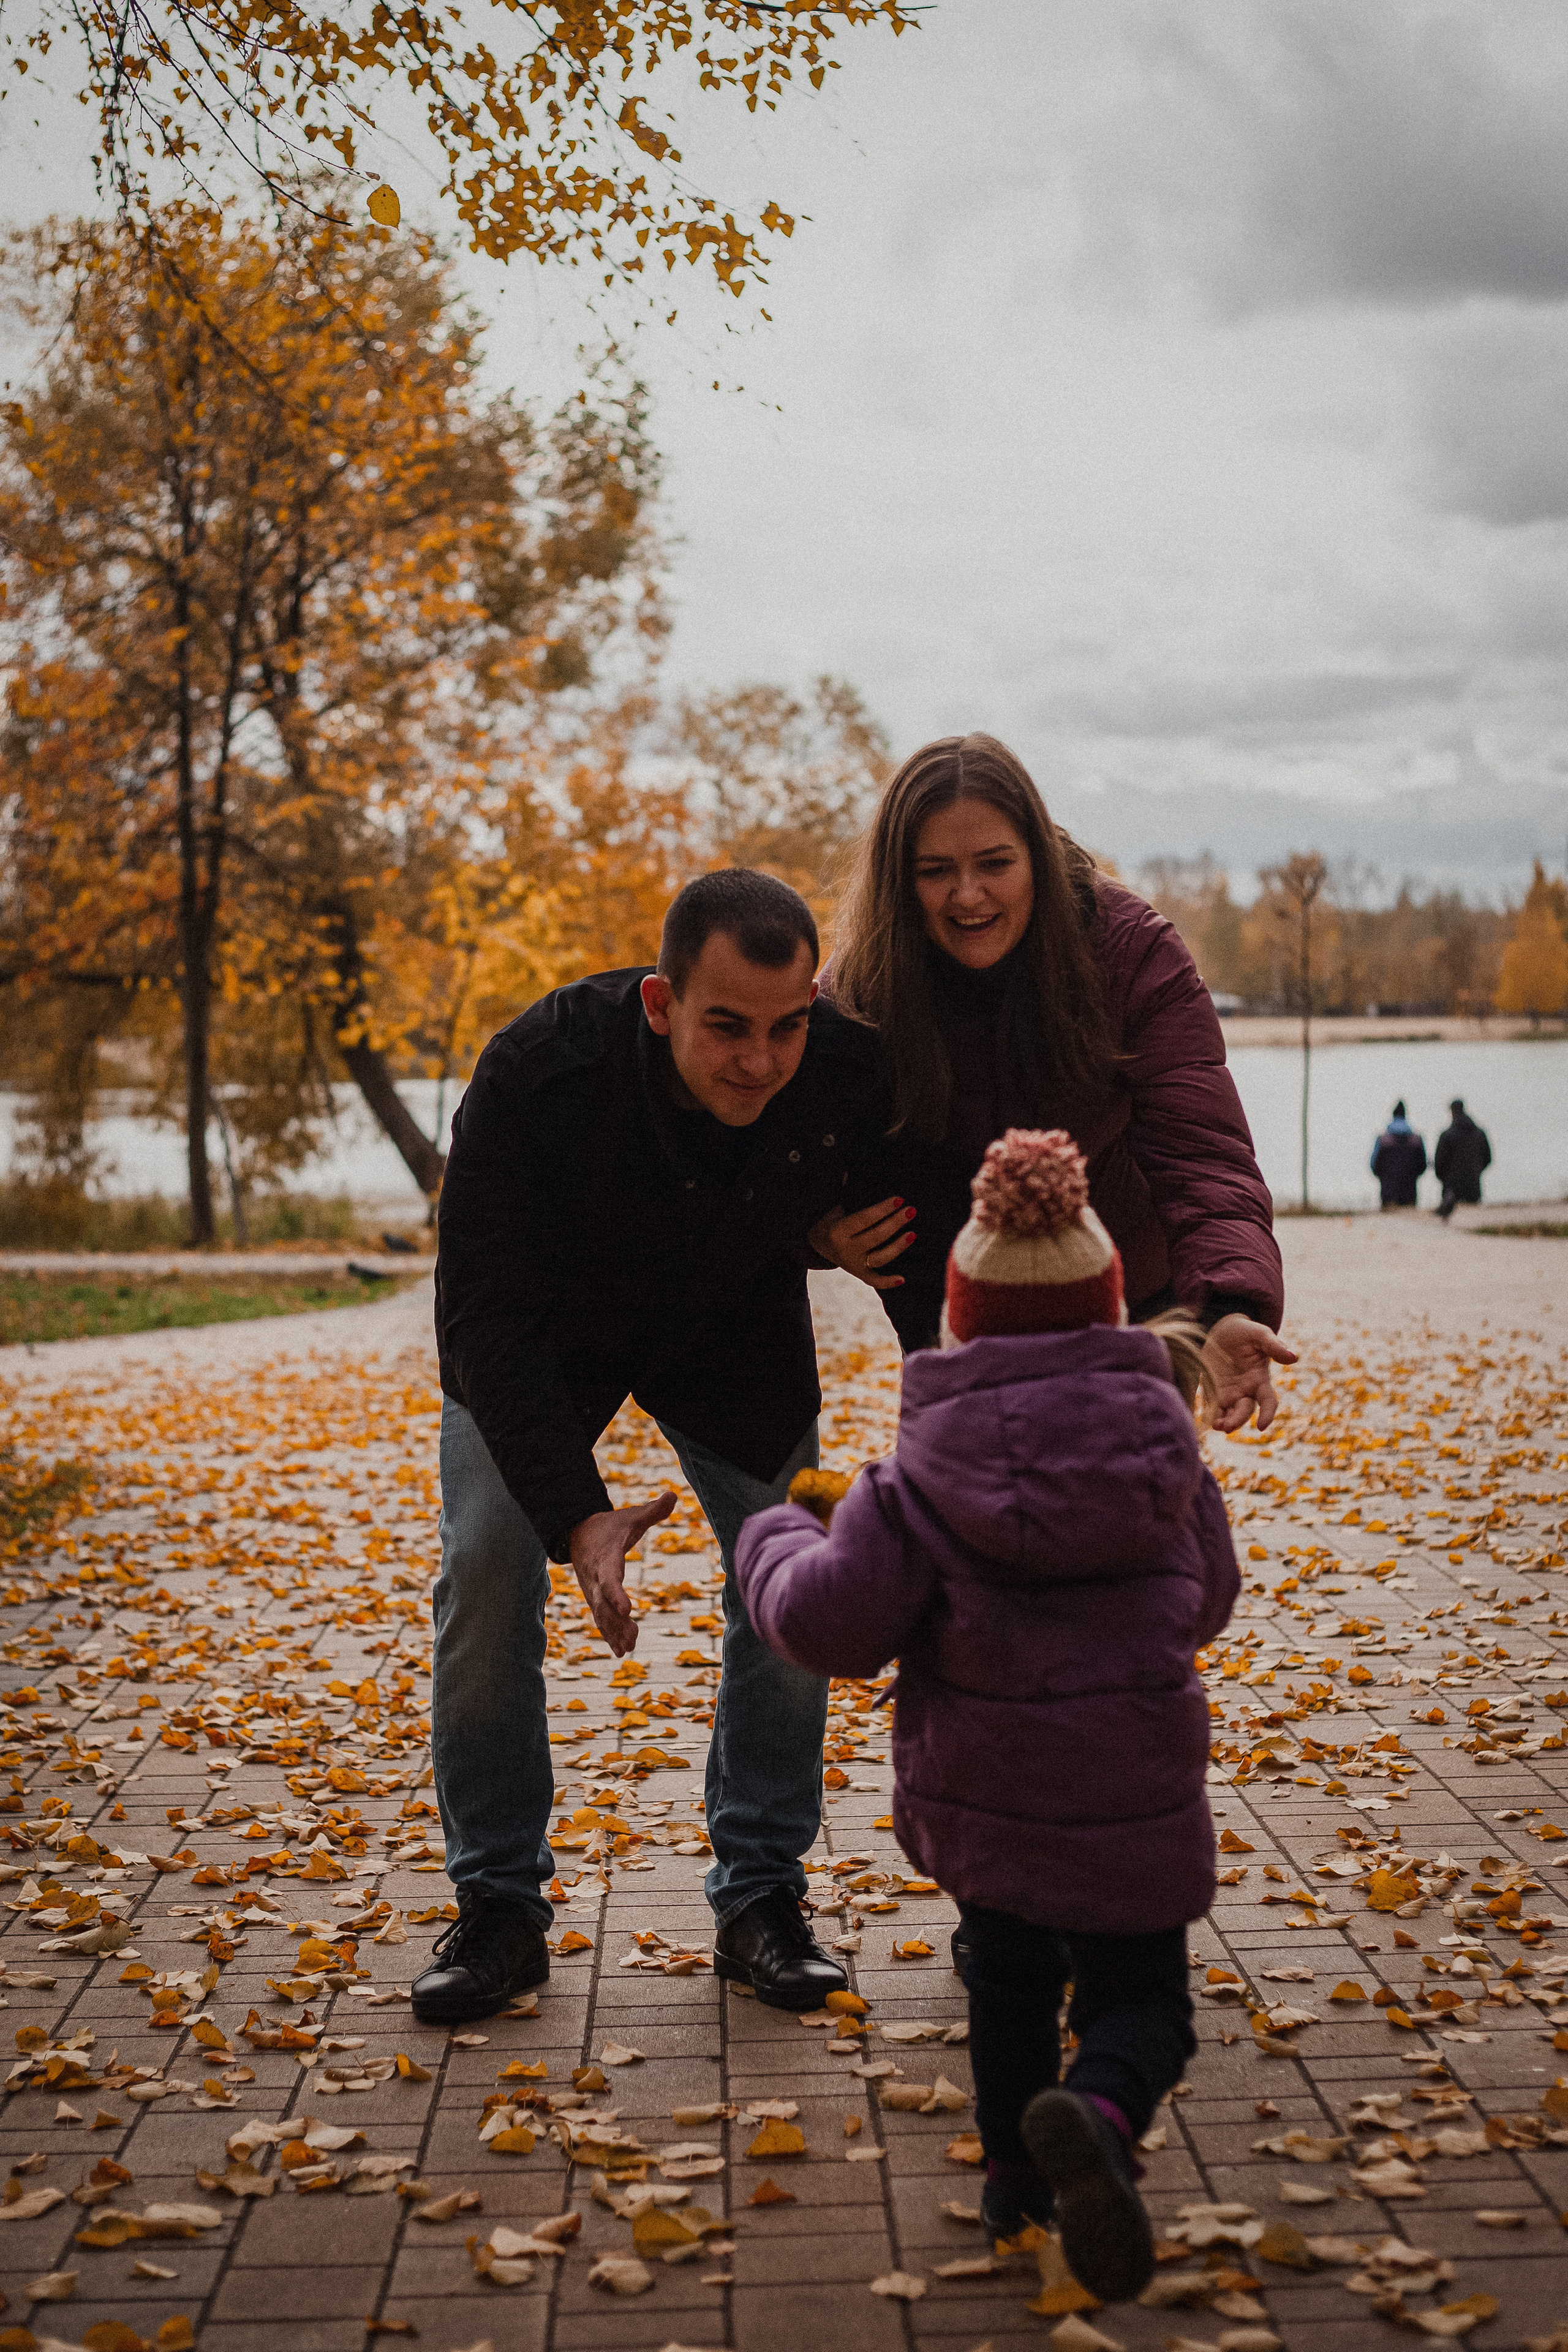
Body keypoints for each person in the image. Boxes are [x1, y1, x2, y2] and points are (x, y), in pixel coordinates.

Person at [736, 1128, 1238, 2303]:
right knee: (1144, 2005)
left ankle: (1017, 2175)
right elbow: (1207, 1603)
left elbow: (832, 1627)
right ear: (1114, 1306)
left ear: (960, 1319)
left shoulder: (912, 1485)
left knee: (1005, 1985)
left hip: (992, 1807)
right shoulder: (1170, 1457)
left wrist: (770, 1538)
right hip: (1135, 1802)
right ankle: (1102, 2115)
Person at [422, 869, 909, 2024]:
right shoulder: (537, 1071)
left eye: (787, 1026)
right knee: (488, 1570)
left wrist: (816, 1231)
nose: (761, 1060)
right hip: (548, 1340)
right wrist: (575, 1515)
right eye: (726, 1028)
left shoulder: (838, 1067)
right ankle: (498, 1905)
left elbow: (901, 1214)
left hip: (730, 1331)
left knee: (793, 1578)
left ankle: (761, 1902)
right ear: (659, 1003)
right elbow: (483, 1317)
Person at [812, 733, 1292, 1436]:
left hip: (1131, 1300)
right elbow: (789, 1139)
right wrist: (818, 1230)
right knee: (973, 1525)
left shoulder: (1132, 954)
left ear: (1035, 855)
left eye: (995, 863)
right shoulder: (862, 984)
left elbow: (1200, 1154)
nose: (968, 894)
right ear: (898, 880)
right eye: (935, 869)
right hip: (956, 1310)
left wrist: (1224, 1309)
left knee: (1122, 1514)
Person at [1434, 1098, 1491, 1220]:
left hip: (1452, 1188)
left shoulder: (1447, 1135)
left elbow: (1439, 1164)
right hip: (1474, 1186)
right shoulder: (1479, 1134)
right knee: (1473, 1219)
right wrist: (1476, 1171)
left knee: (1449, 1221)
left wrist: (1445, 1179)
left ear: (1452, 1112)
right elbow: (1488, 1158)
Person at [1371, 1099, 1427, 1208]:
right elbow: (1423, 1166)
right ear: (1405, 1116)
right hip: (1410, 1194)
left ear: (1393, 1115)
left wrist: (1384, 1178)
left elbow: (1374, 1165)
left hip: (1388, 1195)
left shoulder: (1383, 1140)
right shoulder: (1416, 1140)